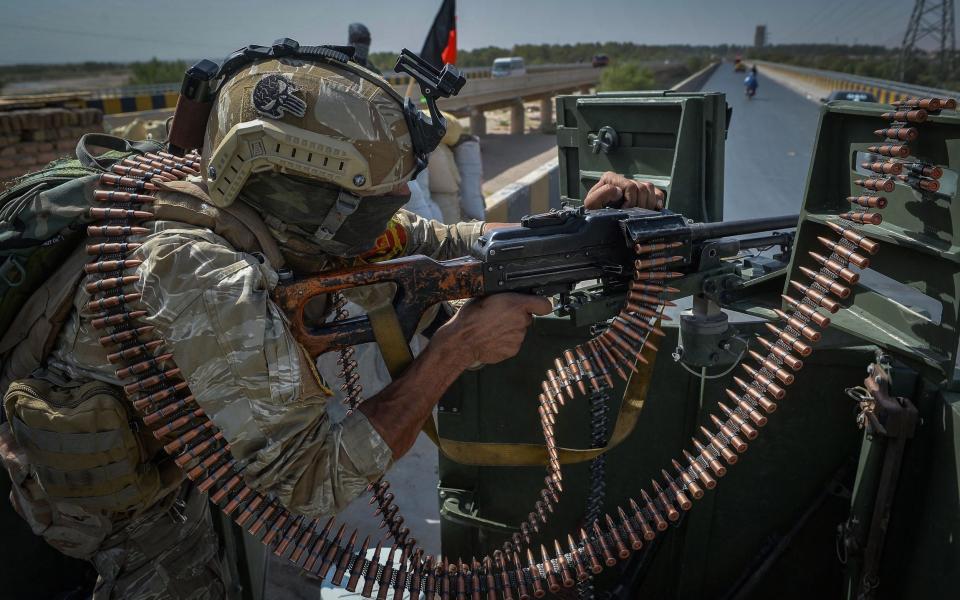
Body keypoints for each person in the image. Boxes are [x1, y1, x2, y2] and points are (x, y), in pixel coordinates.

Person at [0, 43, 663, 599]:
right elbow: (312, 480)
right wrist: (456, 349)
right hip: (123, 510)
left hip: (195, 442)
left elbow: (441, 240)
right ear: (309, 199)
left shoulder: (269, 203)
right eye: (369, 204)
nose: (391, 213)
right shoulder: (202, 276)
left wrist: (575, 227)